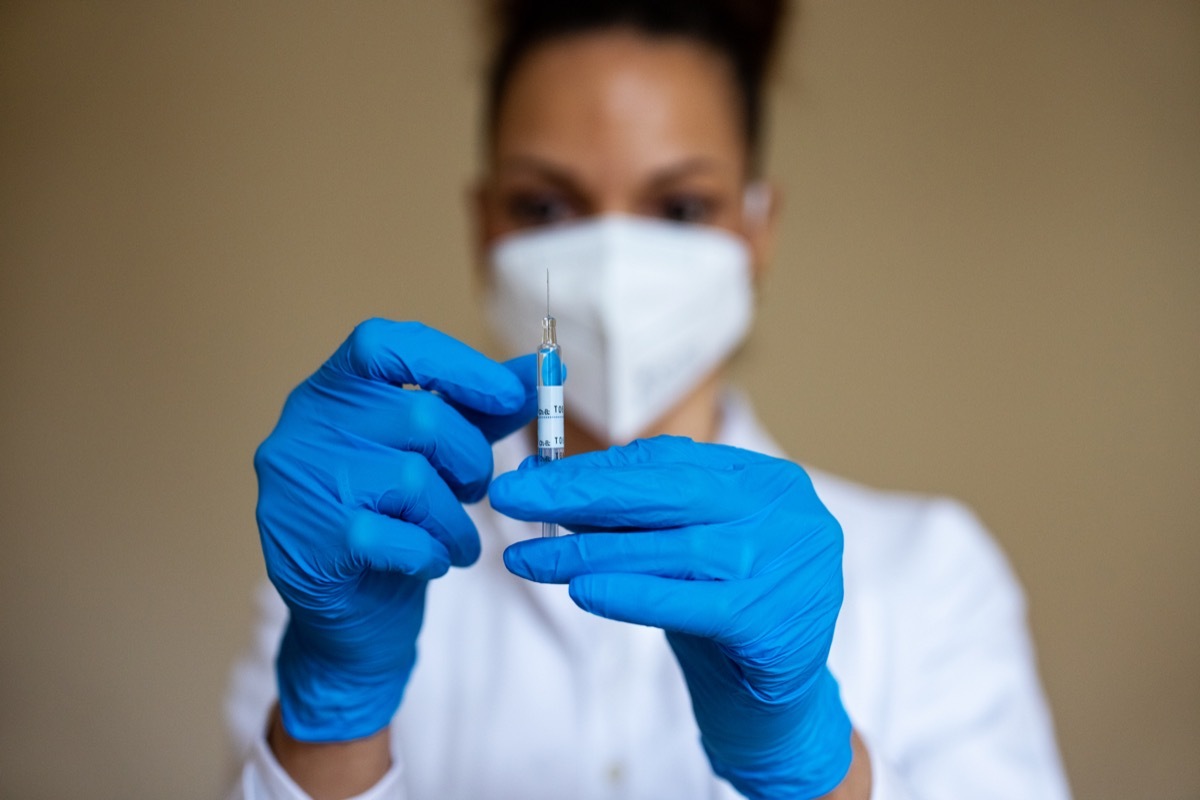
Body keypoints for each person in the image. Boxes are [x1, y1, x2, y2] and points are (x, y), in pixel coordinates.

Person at [225, 2, 1072, 798]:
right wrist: (334, 709)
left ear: (757, 230)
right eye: (547, 205)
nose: (612, 261)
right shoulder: (362, 559)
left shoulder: (926, 575)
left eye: (678, 206)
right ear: (487, 227)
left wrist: (817, 765)